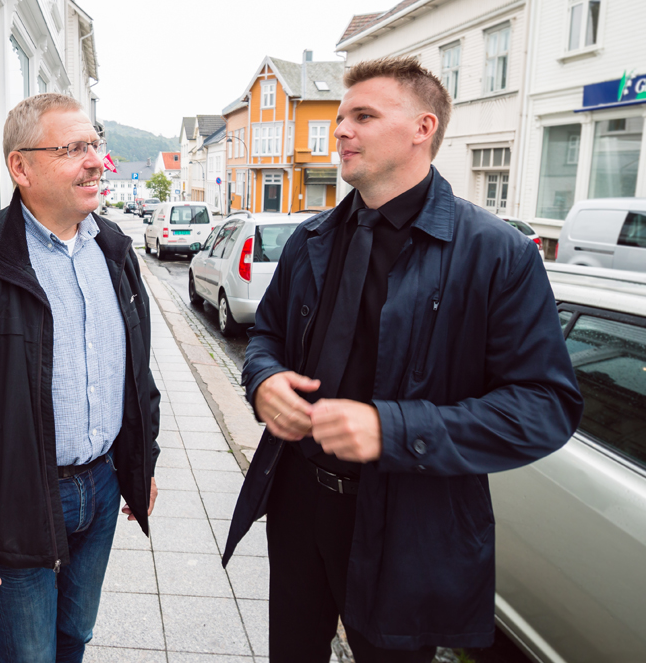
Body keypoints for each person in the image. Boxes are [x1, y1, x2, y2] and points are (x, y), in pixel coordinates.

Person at [222, 57, 582, 662]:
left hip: (408, 522)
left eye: (363, 116)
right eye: (340, 118)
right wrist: (263, 380)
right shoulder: (313, 239)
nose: (340, 131)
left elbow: (545, 406)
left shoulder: (497, 254)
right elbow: (268, 337)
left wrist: (393, 428)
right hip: (298, 502)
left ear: (422, 128)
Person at [0, 93, 161, 663]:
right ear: (22, 168)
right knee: (28, 653)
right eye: (74, 149)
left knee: (76, 637)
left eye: (96, 144)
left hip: (103, 485)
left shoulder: (114, 250)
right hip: (16, 497)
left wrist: (143, 464)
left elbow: (137, 373)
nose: (95, 161)